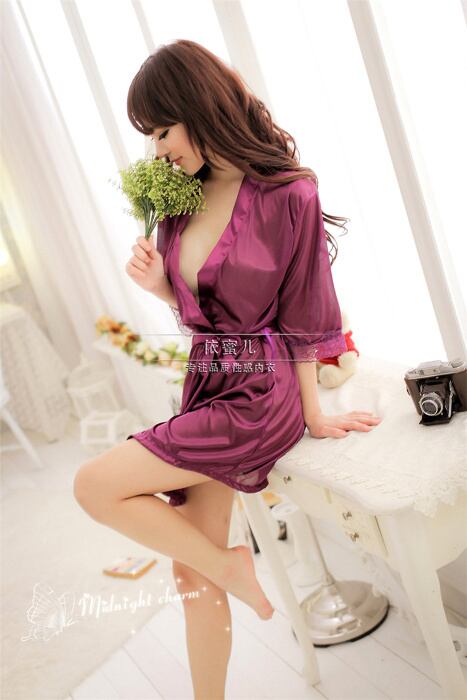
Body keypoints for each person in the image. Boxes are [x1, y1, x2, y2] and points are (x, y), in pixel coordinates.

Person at [73, 39, 382, 700]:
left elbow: (305, 311)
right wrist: (161, 287)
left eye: (163, 129)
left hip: (261, 392)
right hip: (207, 380)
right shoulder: (177, 198)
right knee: (192, 573)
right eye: (150, 135)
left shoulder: (288, 193)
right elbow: (202, 317)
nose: (157, 148)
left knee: (93, 485)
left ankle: (235, 566)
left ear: (198, 107)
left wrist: (314, 412)